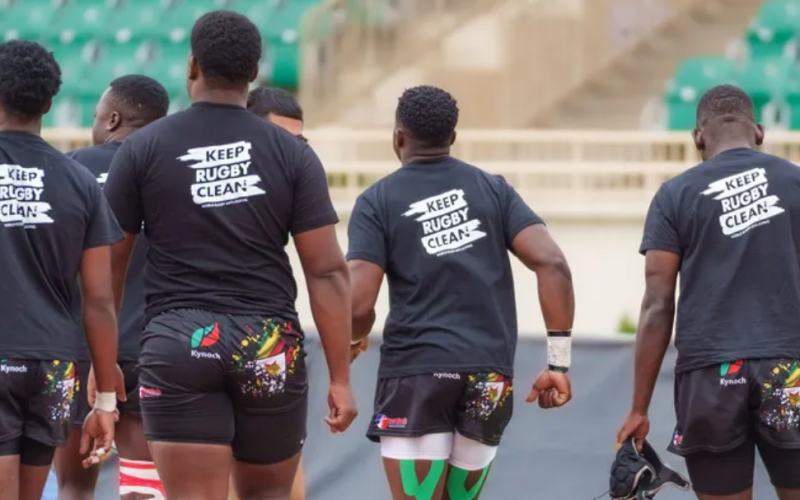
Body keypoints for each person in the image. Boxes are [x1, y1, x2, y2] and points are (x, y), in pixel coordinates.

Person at [103, 11, 357, 500]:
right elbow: (326, 271)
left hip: (178, 343)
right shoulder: (293, 154)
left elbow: (108, 268)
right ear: (255, 73)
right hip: (268, 344)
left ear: (192, 66)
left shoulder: (141, 148)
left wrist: (103, 358)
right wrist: (342, 378)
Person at [347, 85, 576, 500]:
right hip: (488, 374)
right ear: (452, 137)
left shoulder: (377, 201)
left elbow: (359, 304)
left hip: (418, 372)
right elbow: (553, 264)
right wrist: (557, 364)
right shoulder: (493, 189)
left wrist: (351, 336)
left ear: (398, 136)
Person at [617, 84, 800, 500]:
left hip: (710, 377)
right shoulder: (796, 182)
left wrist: (639, 408)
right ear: (759, 132)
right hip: (789, 368)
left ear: (697, 136)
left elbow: (657, 305)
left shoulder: (674, 195)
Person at [0, 40, 123, 500]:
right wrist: (106, 400)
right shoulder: (79, 181)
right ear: (49, 103)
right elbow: (99, 299)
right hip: (54, 368)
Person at [53, 75, 170, 500]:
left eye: (98, 115)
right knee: (144, 489)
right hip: (154, 347)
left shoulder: (70, 169)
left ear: (113, 118)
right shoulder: (173, 169)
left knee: (72, 485)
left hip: (80, 347)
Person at [245, 85, 312, 500]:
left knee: (283, 483)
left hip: (271, 331)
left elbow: (326, 269)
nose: (292, 151)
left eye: (299, 142)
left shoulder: (298, 173)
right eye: (280, 141)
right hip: (196, 334)